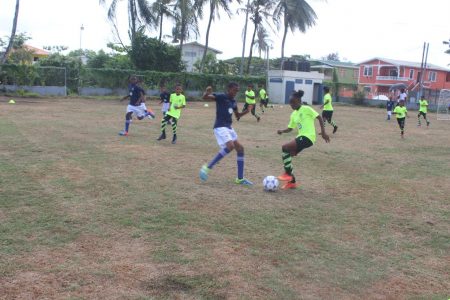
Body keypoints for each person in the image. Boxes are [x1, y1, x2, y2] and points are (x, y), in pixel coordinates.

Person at [199, 83, 253, 186]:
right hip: (220, 126)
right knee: (230, 146)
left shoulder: (233, 102)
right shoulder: (221, 96)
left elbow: (237, 116)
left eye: (237, 91)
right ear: (229, 89)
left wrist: (247, 111)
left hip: (229, 127)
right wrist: (207, 91)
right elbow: (205, 97)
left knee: (240, 149)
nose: (235, 93)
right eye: (234, 90)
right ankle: (207, 167)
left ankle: (240, 179)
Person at [277, 90, 330, 189]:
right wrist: (282, 131)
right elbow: (290, 128)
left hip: (308, 137)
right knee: (289, 154)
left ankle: (287, 173)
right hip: (301, 137)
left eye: (293, 102)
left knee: (285, 147)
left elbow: (319, 118)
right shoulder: (293, 115)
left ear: (298, 100)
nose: (291, 105)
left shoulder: (306, 109)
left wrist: (323, 132)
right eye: (290, 103)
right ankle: (292, 182)